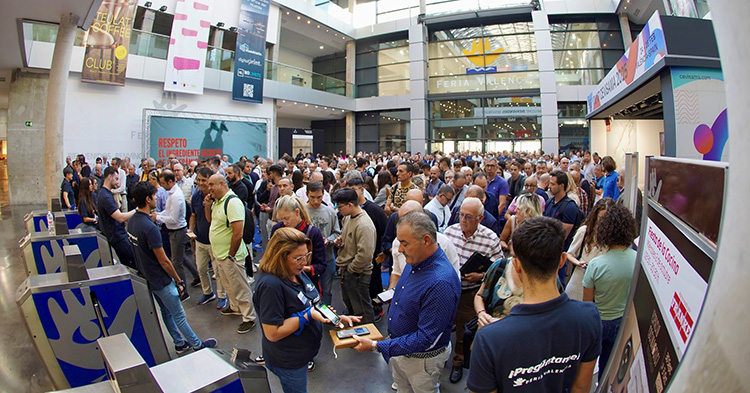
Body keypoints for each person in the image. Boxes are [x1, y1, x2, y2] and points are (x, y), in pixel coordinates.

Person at [467, 217, 601, 393]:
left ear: (516, 265)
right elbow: (582, 387)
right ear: (562, 261)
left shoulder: (489, 338)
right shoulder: (589, 317)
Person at [352, 212, 461, 393]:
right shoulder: (416, 259)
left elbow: (426, 338)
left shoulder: (441, 283)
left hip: (421, 361)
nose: (400, 250)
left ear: (426, 240)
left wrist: (376, 346)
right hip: (400, 352)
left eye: (405, 243)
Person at [253, 228, 360, 391]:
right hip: (289, 360)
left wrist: (334, 316)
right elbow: (272, 333)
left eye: (306, 256)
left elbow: (313, 301)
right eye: (298, 258)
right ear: (280, 257)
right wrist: (307, 315)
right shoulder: (271, 286)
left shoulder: (295, 271)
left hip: (303, 354)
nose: (304, 263)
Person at [127, 182, 217, 354]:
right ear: (148, 199)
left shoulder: (133, 221)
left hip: (148, 277)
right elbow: (164, 261)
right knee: (178, 314)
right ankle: (197, 345)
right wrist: (178, 280)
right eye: (154, 196)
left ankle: (179, 343)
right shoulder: (149, 228)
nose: (156, 199)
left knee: (166, 313)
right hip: (160, 279)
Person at [443, 197, 504, 384]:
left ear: (480, 218)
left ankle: (458, 361)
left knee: (463, 332)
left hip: (470, 293)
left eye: (468, 216)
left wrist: (480, 276)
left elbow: (498, 268)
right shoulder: (449, 232)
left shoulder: (490, 239)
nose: (463, 219)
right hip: (447, 290)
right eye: (460, 214)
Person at [583, 203, 638, 379]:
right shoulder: (638, 260)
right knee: (608, 366)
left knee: (588, 365)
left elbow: (587, 304)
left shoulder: (596, 265)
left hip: (598, 322)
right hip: (622, 321)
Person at [206, 174, 257, 334]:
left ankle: (249, 317)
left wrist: (231, 254)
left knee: (240, 286)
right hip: (220, 254)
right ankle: (235, 307)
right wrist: (207, 205)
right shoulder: (216, 202)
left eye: (211, 185)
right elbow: (211, 221)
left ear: (222, 184)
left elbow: (238, 233)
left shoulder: (232, 202)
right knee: (229, 285)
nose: (209, 188)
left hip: (231, 255)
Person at [388, 201, 460, 290]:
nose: (400, 249)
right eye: (400, 221)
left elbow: (454, 280)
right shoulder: (397, 242)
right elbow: (397, 272)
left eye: (405, 244)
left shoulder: (445, 244)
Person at [332, 188, 376, 324]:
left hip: (358, 274)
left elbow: (365, 255)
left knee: (362, 309)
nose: (338, 210)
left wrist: (351, 269)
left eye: (340, 207)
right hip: (348, 271)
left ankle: (369, 338)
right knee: (351, 305)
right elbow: (348, 239)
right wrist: (340, 241)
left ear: (350, 205)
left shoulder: (364, 225)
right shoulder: (348, 218)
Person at [270, 195, 327, 292]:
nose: (285, 222)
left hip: (306, 285)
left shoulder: (313, 233)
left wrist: (303, 268)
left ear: (297, 212)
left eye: (286, 218)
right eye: (282, 219)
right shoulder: (278, 230)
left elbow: (321, 266)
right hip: (282, 283)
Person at [154, 170, 200, 287]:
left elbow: (173, 219)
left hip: (177, 231)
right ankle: (197, 276)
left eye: (163, 183)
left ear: (170, 181)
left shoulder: (175, 196)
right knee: (181, 258)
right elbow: (168, 211)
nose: (162, 186)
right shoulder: (172, 194)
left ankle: (182, 286)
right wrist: (159, 214)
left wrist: (158, 217)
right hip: (176, 230)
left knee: (177, 262)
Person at [190, 167, 227, 308]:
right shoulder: (195, 197)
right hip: (200, 240)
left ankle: (221, 295)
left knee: (218, 271)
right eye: (198, 180)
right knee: (201, 268)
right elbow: (193, 216)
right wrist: (191, 230)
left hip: (214, 242)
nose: (200, 183)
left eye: (204, 180)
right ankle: (207, 292)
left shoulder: (217, 199)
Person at [565, 198, 615, 301]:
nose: (603, 222)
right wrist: (579, 263)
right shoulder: (584, 231)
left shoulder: (612, 237)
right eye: (601, 218)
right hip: (580, 278)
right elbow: (570, 254)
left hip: (600, 282)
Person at [544, 170, 583, 283]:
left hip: (559, 253)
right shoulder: (550, 202)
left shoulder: (569, 207)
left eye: (552, 184)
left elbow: (563, 234)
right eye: (549, 183)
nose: (549, 186)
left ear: (561, 186)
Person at [98, 166, 137, 268]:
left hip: (117, 235)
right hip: (117, 237)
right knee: (134, 262)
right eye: (116, 179)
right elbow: (120, 217)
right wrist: (137, 210)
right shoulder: (105, 197)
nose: (118, 183)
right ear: (109, 177)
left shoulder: (105, 194)